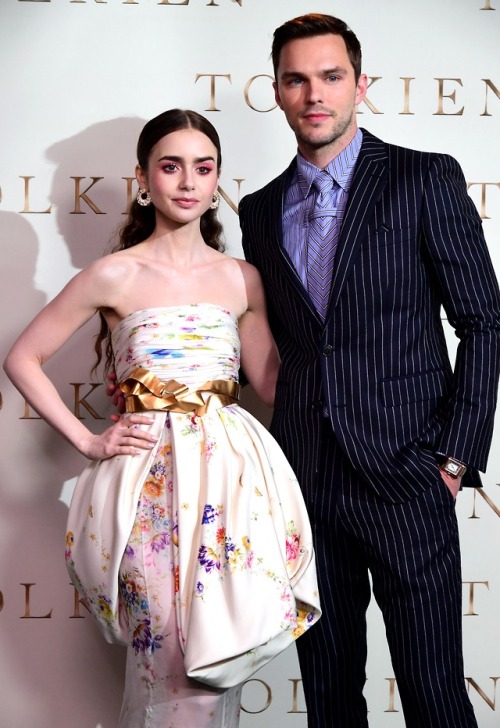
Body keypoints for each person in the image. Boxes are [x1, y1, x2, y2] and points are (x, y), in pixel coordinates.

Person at [3, 108, 321, 728]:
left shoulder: (242, 278)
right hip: (147, 483)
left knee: (216, 655)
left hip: (232, 489)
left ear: (217, 181)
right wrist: (90, 442)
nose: (187, 182)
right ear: (144, 179)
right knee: (164, 654)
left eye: (203, 168)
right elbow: (23, 358)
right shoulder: (114, 273)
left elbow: (272, 383)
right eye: (170, 166)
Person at [238, 13, 500, 728]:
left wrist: (452, 458)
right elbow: (277, 347)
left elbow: (483, 321)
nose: (314, 93)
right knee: (328, 703)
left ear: (360, 84)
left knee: (435, 697)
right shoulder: (257, 211)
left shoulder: (423, 178)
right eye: (297, 79)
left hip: (407, 477)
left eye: (330, 77)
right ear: (278, 91)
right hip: (307, 487)